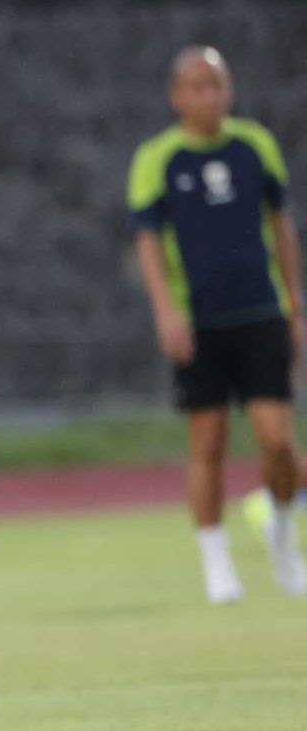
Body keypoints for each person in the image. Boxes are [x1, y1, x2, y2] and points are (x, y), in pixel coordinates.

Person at [129, 46, 306, 603]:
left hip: (260, 311)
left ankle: (282, 537)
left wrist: (295, 304)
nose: (210, 96)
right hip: (199, 321)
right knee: (208, 441)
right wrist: (165, 310)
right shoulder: (158, 159)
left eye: (218, 85)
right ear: (175, 95)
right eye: (197, 86)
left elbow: (281, 225)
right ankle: (216, 563)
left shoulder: (255, 146)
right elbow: (149, 242)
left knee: (277, 440)